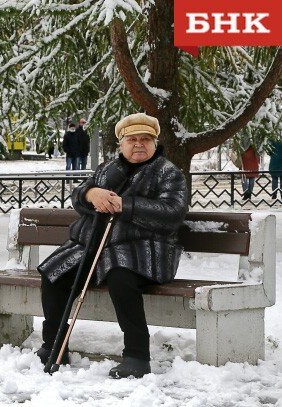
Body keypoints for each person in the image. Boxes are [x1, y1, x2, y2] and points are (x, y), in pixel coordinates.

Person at [36, 113, 188, 379]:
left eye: (145, 139)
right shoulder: (107, 169)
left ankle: (137, 356)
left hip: (147, 249)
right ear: (121, 143)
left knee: (120, 277)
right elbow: (79, 196)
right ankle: (54, 344)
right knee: (54, 273)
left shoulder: (168, 172)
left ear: (154, 143)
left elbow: (173, 212)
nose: (139, 144)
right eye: (132, 139)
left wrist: (125, 206)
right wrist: (89, 193)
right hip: (94, 247)